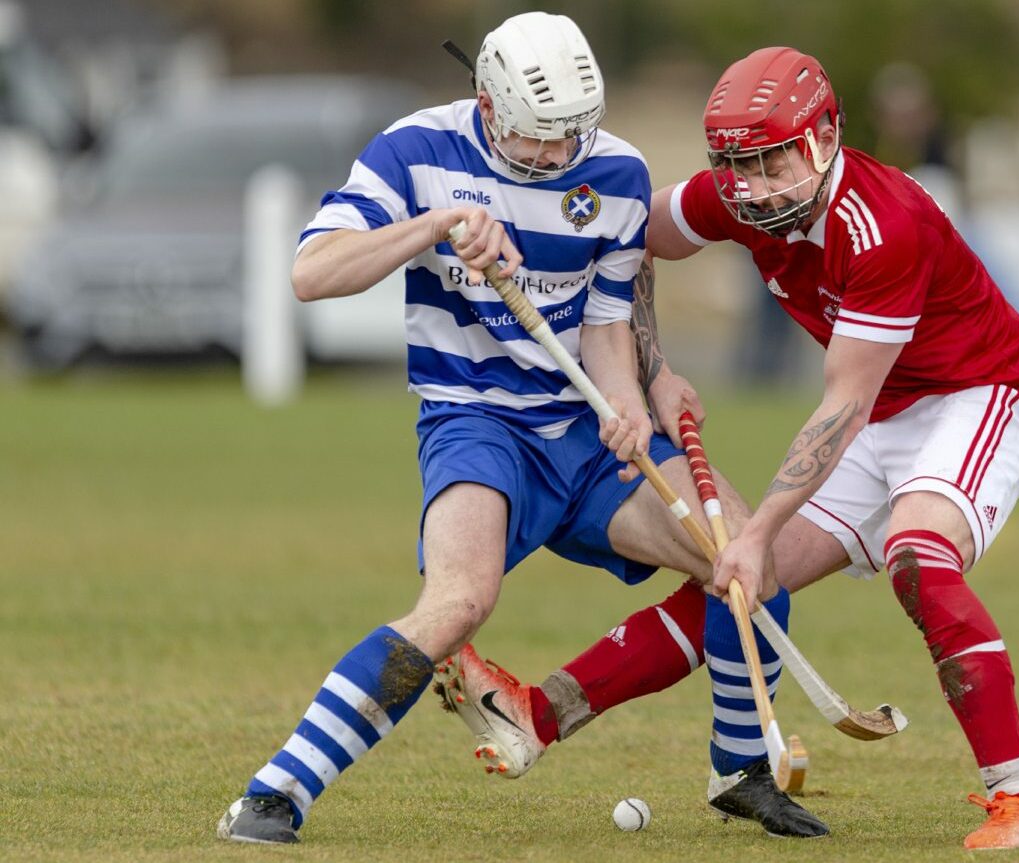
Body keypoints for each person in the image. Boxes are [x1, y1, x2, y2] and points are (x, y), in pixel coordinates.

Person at [215, 16, 823, 844]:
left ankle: (740, 768)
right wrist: (434, 227)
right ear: (486, 103)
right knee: (458, 603)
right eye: (535, 139)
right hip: (475, 426)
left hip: (580, 432)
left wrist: (627, 404)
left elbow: (608, 325)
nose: (553, 156)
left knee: (747, 562)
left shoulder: (613, 173)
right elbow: (312, 272)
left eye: (569, 136)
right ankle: (278, 789)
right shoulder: (414, 151)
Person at [463, 47, 1019, 850]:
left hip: (977, 394)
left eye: (772, 158)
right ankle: (539, 714)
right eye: (736, 164)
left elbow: (842, 404)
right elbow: (630, 238)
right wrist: (653, 366)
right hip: (879, 410)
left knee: (916, 554)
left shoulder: (884, 225)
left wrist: (753, 531)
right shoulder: (735, 200)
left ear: (822, 139)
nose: (753, 183)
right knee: (737, 584)